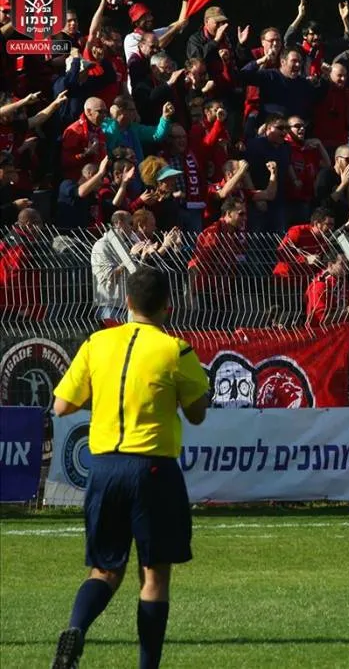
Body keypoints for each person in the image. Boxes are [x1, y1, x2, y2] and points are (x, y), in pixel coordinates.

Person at [51, 267, 209, 669]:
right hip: (153, 469)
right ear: (167, 307)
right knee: (154, 576)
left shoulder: (96, 343)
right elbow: (197, 415)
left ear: (127, 303)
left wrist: (105, 399)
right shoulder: (176, 349)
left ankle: (76, 629)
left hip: (103, 468)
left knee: (104, 569)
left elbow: (61, 406)